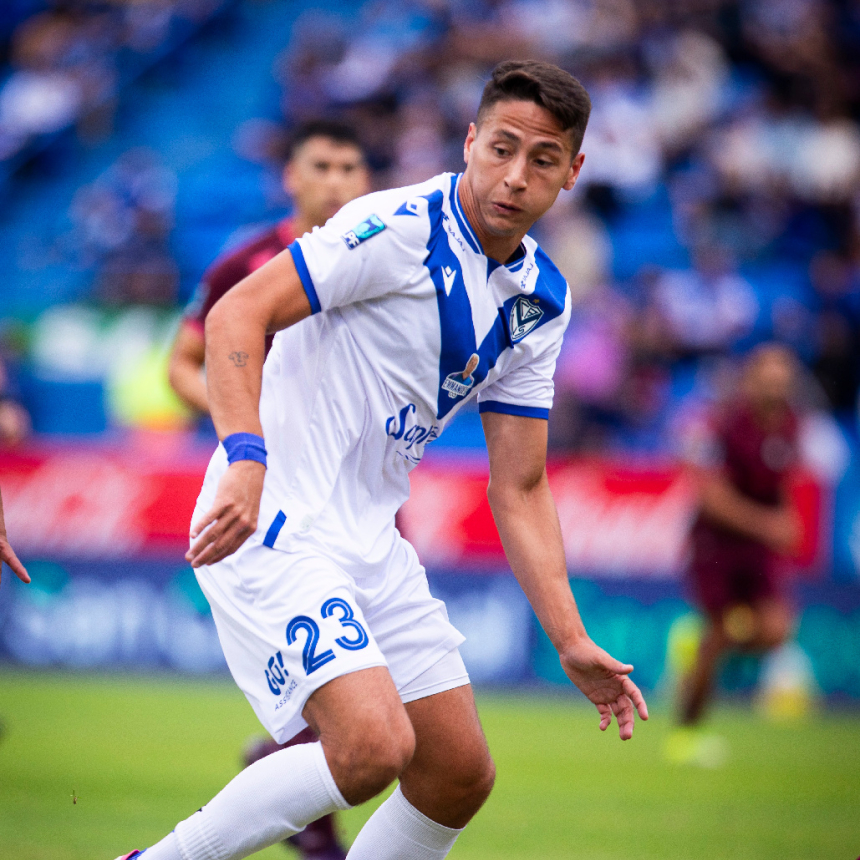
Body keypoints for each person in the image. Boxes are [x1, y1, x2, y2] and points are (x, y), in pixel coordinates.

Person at [116, 59, 647, 860]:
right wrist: (247, 458)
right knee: (371, 747)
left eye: (542, 160)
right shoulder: (397, 225)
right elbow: (235, 315)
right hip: (274, 519)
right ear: (469, 142)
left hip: (369, 542)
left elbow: (521, 484)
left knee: (457, 775)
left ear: (572, 173)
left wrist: (569, 637)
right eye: (501, 148)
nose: (514, 176)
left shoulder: (542, 299)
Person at [168, 119, 371, 860]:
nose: (337, 181)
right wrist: (245, 429)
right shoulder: (249, 263)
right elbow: (182, 363)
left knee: (389, 673)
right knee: (352, 688)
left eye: (350, 167)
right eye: (322, 165)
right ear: (291, 176)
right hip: (274, 483)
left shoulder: (379, 259)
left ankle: (280, 764)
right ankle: (308, 811)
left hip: (360, 486)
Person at [669, 344, 801, 763]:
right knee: (720, 634)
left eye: (782, 379)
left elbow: (780, 484)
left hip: (756, 550)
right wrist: (768, 525)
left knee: (776, 630)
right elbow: (709, 496)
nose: (775, 386)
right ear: (751, 380)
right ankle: (687, 733)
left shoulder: (791, 425)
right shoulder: (724, 423)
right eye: (768, 378)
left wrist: (787, 519)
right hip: (717, 546)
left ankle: (696, 648)